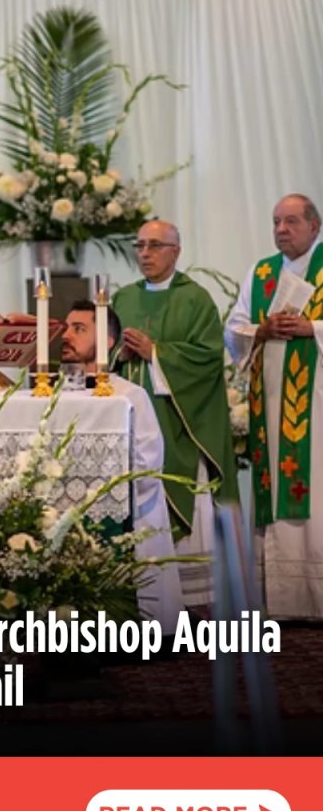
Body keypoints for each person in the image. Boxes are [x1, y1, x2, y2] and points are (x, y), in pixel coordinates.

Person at [112, 219, 239, 607]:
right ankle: (146, 588)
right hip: (134, 417)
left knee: (180, 486)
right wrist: (120, 352)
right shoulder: (124, 298)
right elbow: (105, 352)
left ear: (175, 251)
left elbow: (206, 360)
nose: (145, 253)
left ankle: (192, 593)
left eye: (154, 245)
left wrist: (157, 353)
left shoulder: (195, 298)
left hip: (178, 419)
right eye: (140, 245)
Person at [225, 193, 323, 618]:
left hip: (317, 409)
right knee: (277, 491)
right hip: (269, 405)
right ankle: (280, 598)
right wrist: (260, 329)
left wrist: (310, 327)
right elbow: (233, 330)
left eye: (291, 222)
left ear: (315, 226)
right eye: (276, 222)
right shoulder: (262, 272)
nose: (282, 230)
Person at [61, 300, 182, 629]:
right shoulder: (53, 394)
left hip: (122, 515)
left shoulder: (130, 395)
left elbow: (148, 461)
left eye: (79, 329)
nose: (67, 335)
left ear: (108, 342)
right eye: (67, 328)